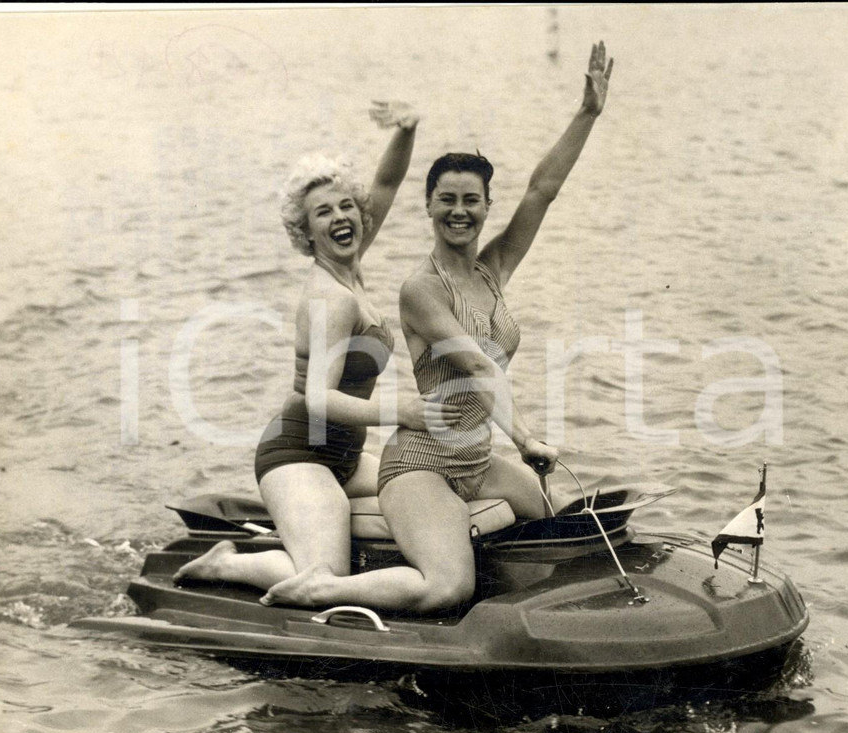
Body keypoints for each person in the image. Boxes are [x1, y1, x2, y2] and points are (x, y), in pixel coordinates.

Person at [263, 42, 614, 613]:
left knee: (556, 517)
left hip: (460, 456)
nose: (459, 210)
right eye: (446, 200)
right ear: (428, 208)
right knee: (449, 585)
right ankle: (323, 589)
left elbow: (541, 191)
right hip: (391, 456)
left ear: (485, 206)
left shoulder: (490, 267)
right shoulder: (417, 289)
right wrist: (524, 437)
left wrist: (587, 114)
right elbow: (476, 364)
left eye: (471, 201)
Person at [174, 102, 460, 591]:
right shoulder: (331, 297)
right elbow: (319, 399)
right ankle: (226, 563)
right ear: (307, 234)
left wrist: (408, 130)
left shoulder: (349, 264)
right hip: (298, 455)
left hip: (344, 457)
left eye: (346, 205)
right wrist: (403, 412)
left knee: (441, 484)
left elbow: (386, 186)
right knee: (324, 577)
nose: (340, 216)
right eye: (323, 213)